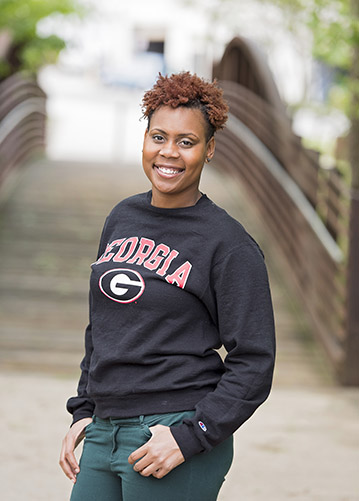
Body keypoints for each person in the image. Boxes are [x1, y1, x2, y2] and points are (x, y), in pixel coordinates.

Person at [59, 71, 276, 501]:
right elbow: (101, 328)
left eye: (186, 141)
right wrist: (83, 410)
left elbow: (254, 360)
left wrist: (191, 435)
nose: (169, 153)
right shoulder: (122, 217)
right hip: (105, 430)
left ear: (209, 149)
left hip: (172, 433)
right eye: (159, 137)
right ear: (144, 139)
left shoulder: (228, 244)